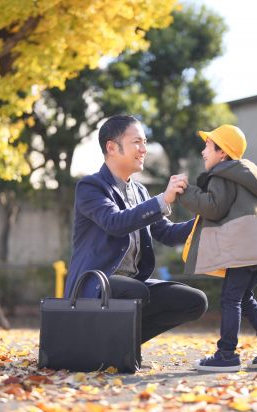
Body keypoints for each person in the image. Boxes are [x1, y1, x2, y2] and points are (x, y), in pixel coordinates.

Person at [64, 115, 208, 344]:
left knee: (194, 301)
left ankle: (121, 344)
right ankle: (99, 342)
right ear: (111, 147)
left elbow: (167, 234)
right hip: (95, 285)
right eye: (137, 142)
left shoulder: (140, 191)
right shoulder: (91, 186)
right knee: (136, 292)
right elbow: (115, 223)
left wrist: (207, 221)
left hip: (130, 288)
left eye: (145, 142)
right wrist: (163, 199)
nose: (144, 149)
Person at [177, 124, 257, 372]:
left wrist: (184, 193)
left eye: (208, 146)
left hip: (243, 247)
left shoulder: (222, 174)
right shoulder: (246, 175)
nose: (204, 152)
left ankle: (226, 353)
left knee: (230, 298)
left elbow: (213, 207)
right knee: (243, 297)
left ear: (223, 153)